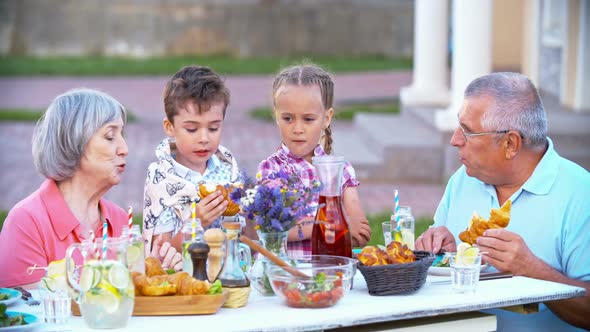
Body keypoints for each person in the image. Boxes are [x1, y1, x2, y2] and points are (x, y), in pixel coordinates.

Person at [415, 72, 590, 330]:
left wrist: (533, 270)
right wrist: (442, 252)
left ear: (510, 143)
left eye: (467, 132)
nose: (455, 140)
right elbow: (442, 275)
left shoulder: (580, 193)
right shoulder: (464, 179)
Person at [0, 88, 179, 288]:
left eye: (122, 135)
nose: (124, 149)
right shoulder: (26, 222)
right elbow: (26, 310)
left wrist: (152, 273)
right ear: (73, 141)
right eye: (110, 137)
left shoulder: (120, 220)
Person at [257, 63, 372, 257]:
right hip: (287, 278)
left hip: (332, 275)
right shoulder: (271, 169)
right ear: (276, 116)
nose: (297, 128)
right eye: (288, 118)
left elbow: (359, 229)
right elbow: (273, 229)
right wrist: (329, 226)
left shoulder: (341, 170)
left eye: (308, 119)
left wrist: (347, 232)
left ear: (327, 118)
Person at [143, 65, 247, 255]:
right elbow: (157, 252)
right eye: (192, 129)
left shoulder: (228, 169)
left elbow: (245, 236)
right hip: (183, 278)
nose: (204, 138)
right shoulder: (163, 178)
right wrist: (195, 223)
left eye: (214, 128)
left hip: (229, 275)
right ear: (170, 127)